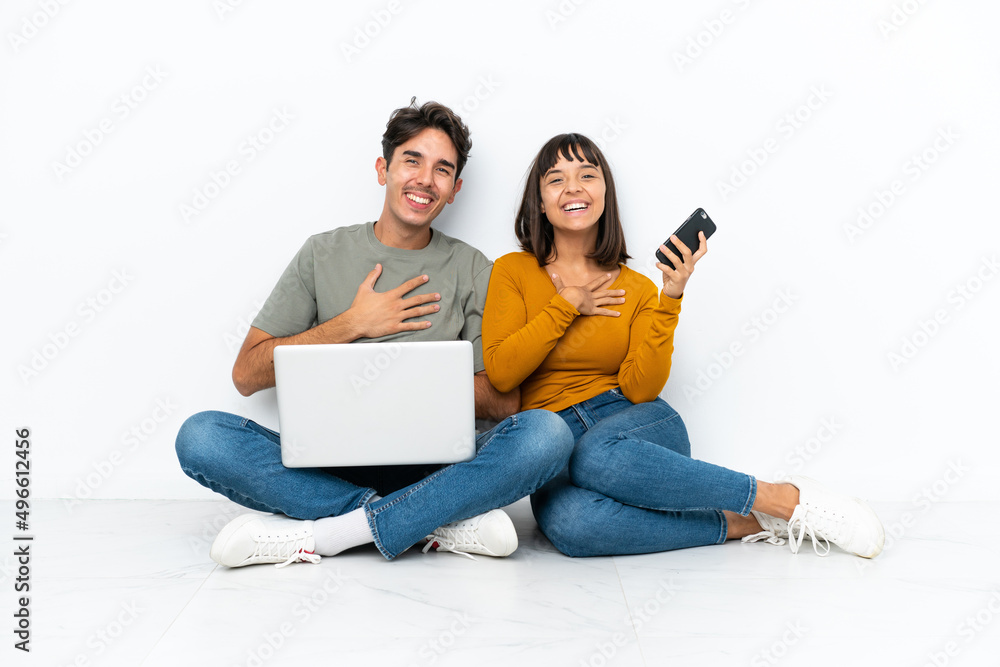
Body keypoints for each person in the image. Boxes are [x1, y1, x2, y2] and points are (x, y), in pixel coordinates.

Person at [174, 100, 574, 568]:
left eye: (442, 169)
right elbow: (247, 373)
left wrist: (404, 387)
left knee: (546, 433)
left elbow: (503, 401)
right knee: (201, 436)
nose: (425, 179)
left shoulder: (473, 268)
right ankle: (432, 522)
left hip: (437, 468)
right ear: (383, 169)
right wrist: (353, 324)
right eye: (412, 160)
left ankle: (333, 533)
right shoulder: (322, 253)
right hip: (327, 465)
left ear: (454, 190)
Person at [482, 133, 884, 558]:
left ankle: (784, 499)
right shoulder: (512, 271)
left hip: (630, 425)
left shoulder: (636, 287)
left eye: (587, 175)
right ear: (540, 202)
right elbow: (504, 373)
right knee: (575, 527)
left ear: (604, 193)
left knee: (597, 456)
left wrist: (669, 298)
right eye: (556, 179)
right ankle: (739, 522)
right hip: (553, 439)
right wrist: (566, 305)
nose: (574, 187)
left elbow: (641, 390)